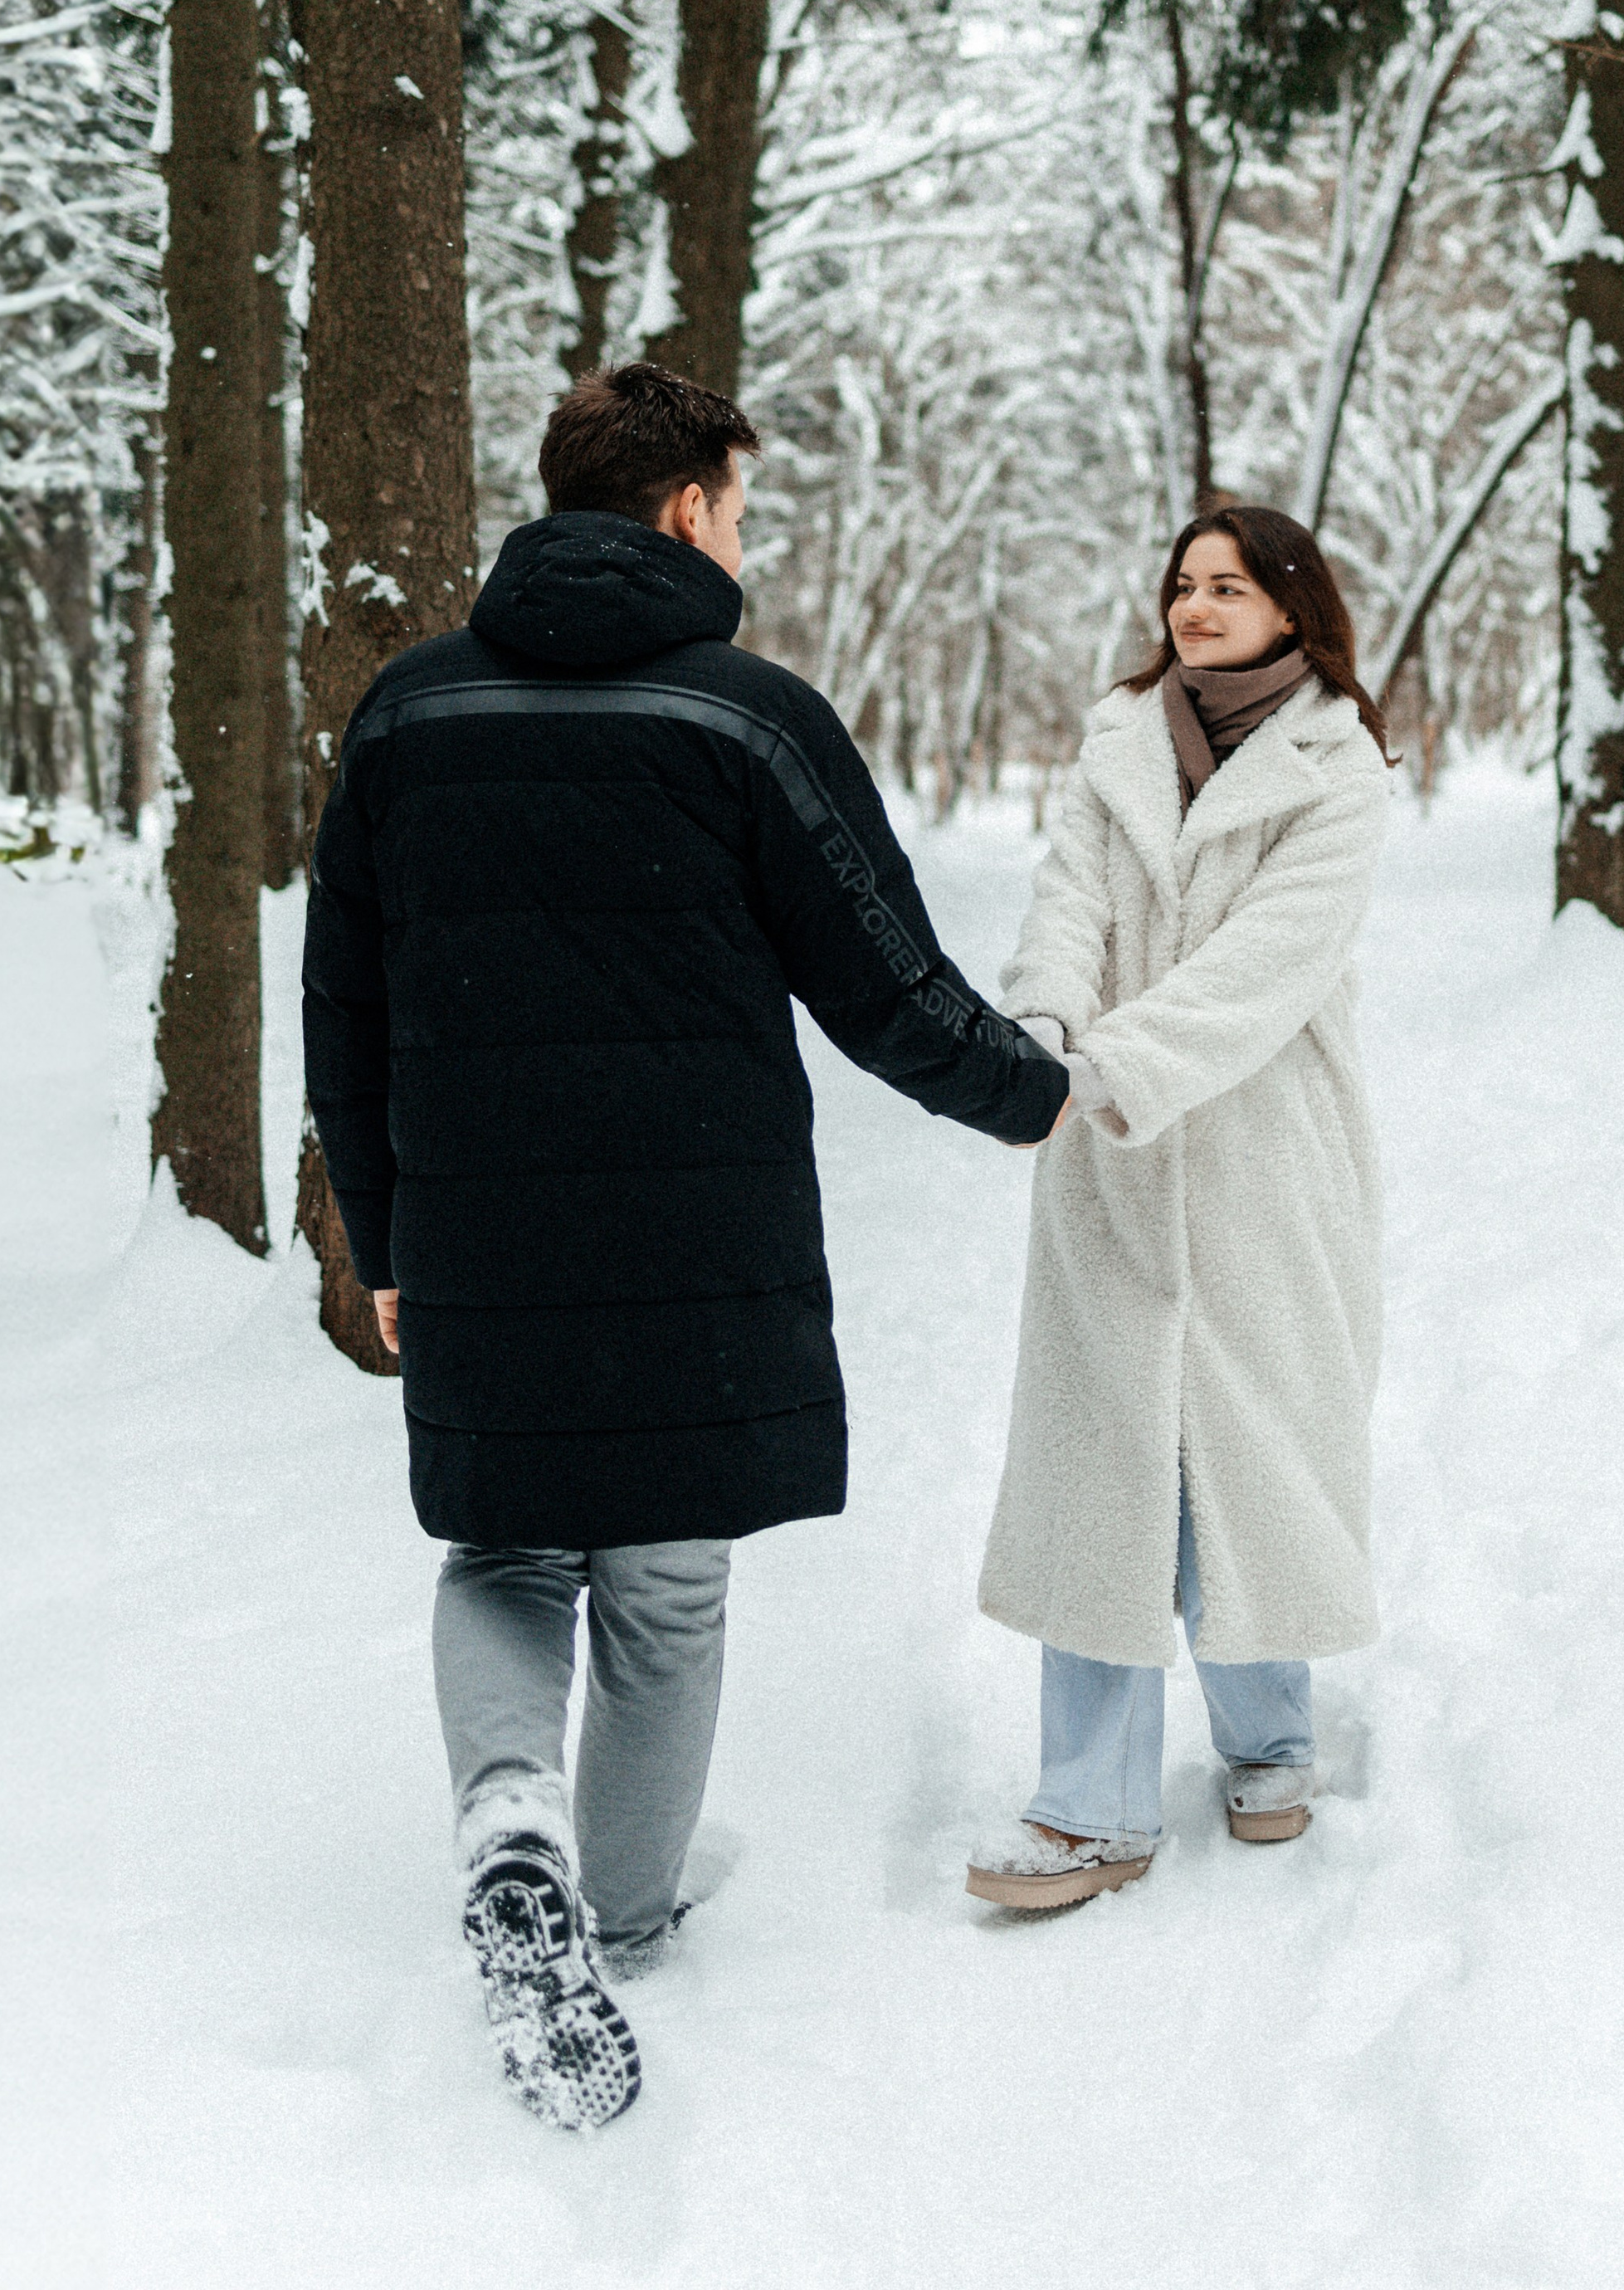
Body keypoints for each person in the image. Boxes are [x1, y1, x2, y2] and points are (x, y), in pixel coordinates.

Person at [302, 364, 1067, 2124]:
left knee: (507, 1554)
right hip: (692, 1219)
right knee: (660, 1583)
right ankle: (620, 1920)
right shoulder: (745, 715)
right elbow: (886, 982)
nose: (740, 533)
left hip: (479, 1214)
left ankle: (512, 1823)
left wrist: (384, 1227)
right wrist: (1039, 1100)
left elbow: (341, 989)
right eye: (735, 503)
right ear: (681, 511)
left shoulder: (409, 712)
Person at [965, 505, 1395, 1911]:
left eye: (1227, 586)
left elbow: (1269, 968)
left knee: (1245, 1446)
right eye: (1181, 586)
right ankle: (1090, 1807)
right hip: (1106, 1153)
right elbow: (1070, 903)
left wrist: (1112, 1066)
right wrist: (1040, 1030)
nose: (1196, 608)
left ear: (1291, 605)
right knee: (1104, 1463)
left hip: (1266, 1155)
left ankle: (1269, 1738)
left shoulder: (1341, 768)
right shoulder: (1118, 745)